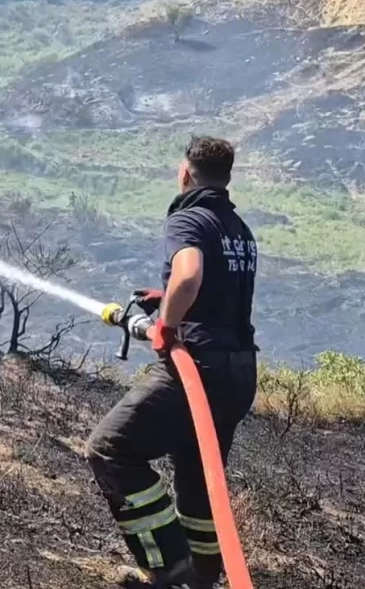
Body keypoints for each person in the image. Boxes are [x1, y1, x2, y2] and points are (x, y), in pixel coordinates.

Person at [86, 136, 259, 589]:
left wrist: (164, 325)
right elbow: (217, 293)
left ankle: (171, 570)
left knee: (110, 449)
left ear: (185, 173)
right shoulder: (237, 228)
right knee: (200, 480)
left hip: (196, 371)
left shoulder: (188, 219)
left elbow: (189, 274)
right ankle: (202, 578)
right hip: (237, 375)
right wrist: (169, 303)